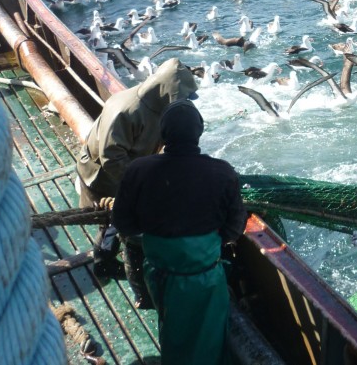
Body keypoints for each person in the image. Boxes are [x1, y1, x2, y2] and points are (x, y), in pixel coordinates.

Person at [112, 100, 247, 365]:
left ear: (163, 135)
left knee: (173, 331)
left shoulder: (138, 169)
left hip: (161, 274)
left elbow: (123, 223)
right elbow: (235, 225)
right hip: (206, 277)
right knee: (210, 339)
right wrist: (210, 243)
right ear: (200, 132)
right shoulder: (222, 172)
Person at [76, 57, 199, 302]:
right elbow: (110, 158)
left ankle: (105, 260)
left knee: (116, 220)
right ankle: (114, 271)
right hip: (105, 175)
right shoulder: (127, 110)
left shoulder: (159, 107)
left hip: (132, 168)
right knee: (116, 222)